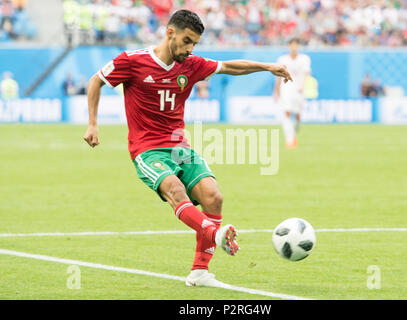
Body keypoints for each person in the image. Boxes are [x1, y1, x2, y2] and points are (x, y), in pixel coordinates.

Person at [83, 9, 292, 288]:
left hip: (180, 148)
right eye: (187, 40)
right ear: (170, 33)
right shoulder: (132, 61)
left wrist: (267, 66)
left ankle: (199, 272)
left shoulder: (191, 65)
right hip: (147, 150)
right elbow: (96, 80)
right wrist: (93, 124)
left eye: (194, 43)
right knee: (175, 190)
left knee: (213, 197)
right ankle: (214, 234)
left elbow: (230, 67)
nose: (190, 48)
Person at [273, 38, 311, 149]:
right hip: (286, 89)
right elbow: (279, 76)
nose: (294, 47)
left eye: (296, 45)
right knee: (287, 112)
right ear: (289, 46)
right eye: (292, 45)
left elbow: (306, 74)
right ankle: (289, 140)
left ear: (298, 46)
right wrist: (276, 91)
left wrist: (302, 86)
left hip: (298, 90)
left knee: (298, 114)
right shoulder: (282, 59)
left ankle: (294, 134)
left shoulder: (304, 59)